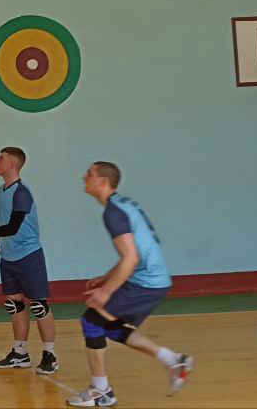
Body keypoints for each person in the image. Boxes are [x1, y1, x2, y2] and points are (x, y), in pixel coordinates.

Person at [67, 162, 194, 407]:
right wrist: (108, 276)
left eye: (90, 174)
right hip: (152, 280)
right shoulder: (121, 204)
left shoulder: (113, 212)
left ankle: (101, 391)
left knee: (91, 322)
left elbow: (131, 258)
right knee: (111, 328)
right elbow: (134, 253)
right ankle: (174, 360)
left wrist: (106, 291)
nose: (84, 177)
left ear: (103, 181)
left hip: (146, 282)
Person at [0, 147, 58, 374]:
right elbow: (5, 222)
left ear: (12, 165)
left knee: (39, 306)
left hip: (29, 256)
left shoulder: (22, 192)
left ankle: (50, 355)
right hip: (9, 256)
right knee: (14, 305)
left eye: (1, 159)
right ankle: (20, 353)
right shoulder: (2, 190)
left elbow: (13, 227)